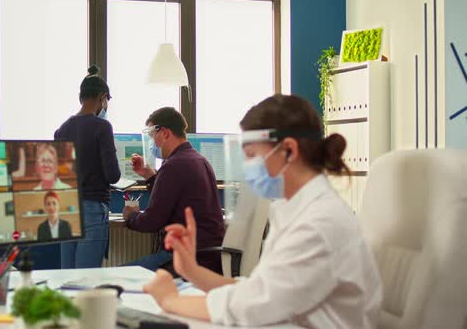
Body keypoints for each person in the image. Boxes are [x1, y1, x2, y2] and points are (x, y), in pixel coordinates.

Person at [142, 94, 382, 328]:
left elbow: (253, 307)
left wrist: (170, 300)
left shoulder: (319, 223)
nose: (248, 167)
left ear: (289, 150)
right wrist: (192, 271)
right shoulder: (293, 209)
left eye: (252, 155)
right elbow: (259, 290)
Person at [122, 107, 225, 274]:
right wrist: (149, 175)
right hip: (206, 256)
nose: (151, 143)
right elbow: (173, 195)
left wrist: (130, 217)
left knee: (116, 276)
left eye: (151, 136)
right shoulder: (198, 160)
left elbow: (151, 222)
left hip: (185, 258)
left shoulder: (174, 165)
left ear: (164, 133)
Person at [54, 65, 121, 268]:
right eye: (107, 101)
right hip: (93, 208)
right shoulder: (102, 127)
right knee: (87, 279)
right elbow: (113, 175)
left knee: (68, 277)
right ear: (102, 97)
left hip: (67, 209)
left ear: (80, 97)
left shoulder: (61, 130)